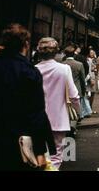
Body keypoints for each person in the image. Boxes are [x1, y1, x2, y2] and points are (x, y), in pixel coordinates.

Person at [0, 24, 56, 171]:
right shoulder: (29, 71)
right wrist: (40, 151)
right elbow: (36, 112)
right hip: (19, 140)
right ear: (26, 44)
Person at [35, 37, 80, 170]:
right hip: (58, 119)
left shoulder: (33, 69)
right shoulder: (64, 69)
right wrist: (78, 111)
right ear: (56, 52)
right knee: (56, 155)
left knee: (40, 153)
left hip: (38, 118)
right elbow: (74, 95)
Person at [62, 46, 88, 119]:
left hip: (64, 89)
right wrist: (83, 91)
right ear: (74, 54)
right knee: (76, 110)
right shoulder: (79, 64)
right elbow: (82, 79)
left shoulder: (62, 64)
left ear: (65, 54)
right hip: (77, 89)